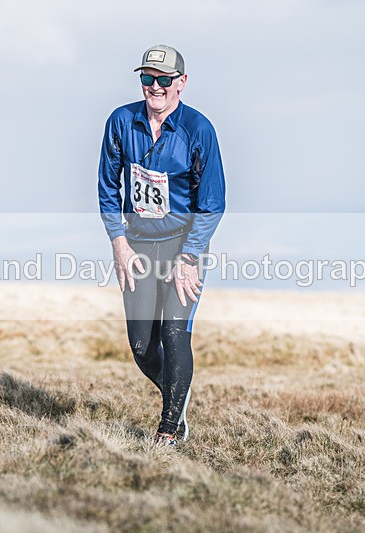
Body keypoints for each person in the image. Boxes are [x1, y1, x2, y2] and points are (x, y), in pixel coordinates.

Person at [97, 44, 226, 446]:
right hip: (137, 247)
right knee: (141, 345)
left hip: (183, 246)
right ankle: (178, 393)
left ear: (181, 83)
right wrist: (118, 242)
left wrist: (189, 257)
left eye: (164, 80)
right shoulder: (121, 122)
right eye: (147, 78)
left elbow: (213, 203)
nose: (155, 87)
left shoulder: (198, 130)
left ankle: (169, 429)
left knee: (174, 333)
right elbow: (106, 189)